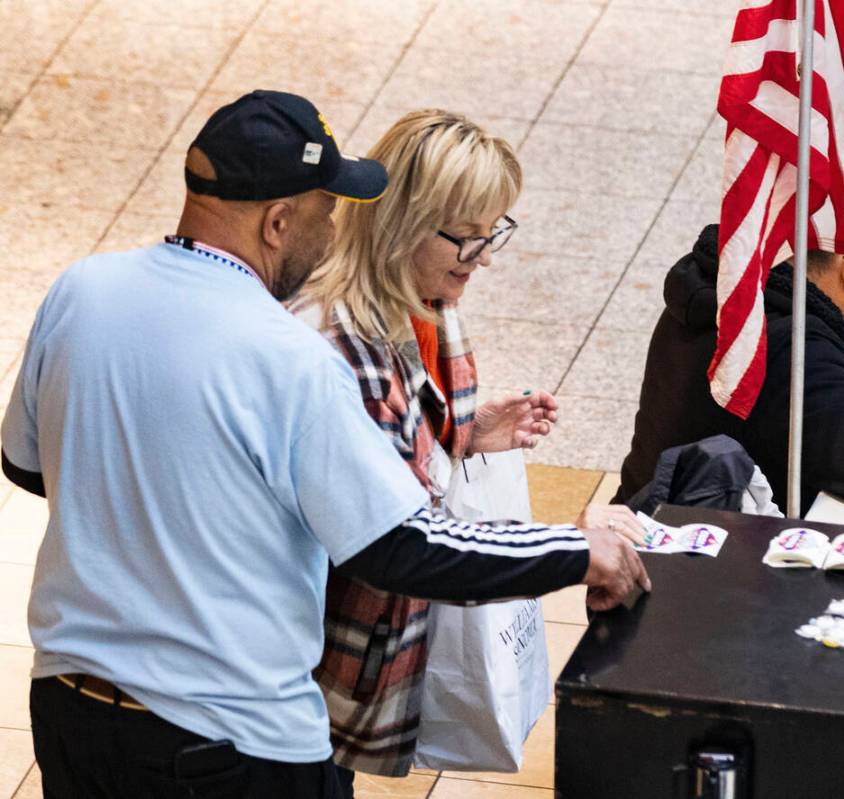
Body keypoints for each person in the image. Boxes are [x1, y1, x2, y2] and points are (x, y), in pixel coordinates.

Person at [0, 90, 648, 799]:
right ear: (278, 221)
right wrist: (578, 549)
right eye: (327, 211)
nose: (339, 228)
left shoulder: (81, 289)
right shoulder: (292, 358)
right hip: (230, 744)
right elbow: (403, 548)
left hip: (70, 715)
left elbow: (28, 464)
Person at [291, 109, 645, 790]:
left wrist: (461, 431)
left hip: (333, 673)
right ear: (400, 222)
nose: (482, 258)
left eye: (493, 234)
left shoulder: (418, 304)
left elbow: (396, 449)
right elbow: (397, 539)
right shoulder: (331, 347)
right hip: (299, 675)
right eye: (466, 238)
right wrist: (570, 545)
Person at [616, 173, 844, 516]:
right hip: (685, 571)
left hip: (648, 526)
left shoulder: (726, 292)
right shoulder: (791, 348)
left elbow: (793, 405)